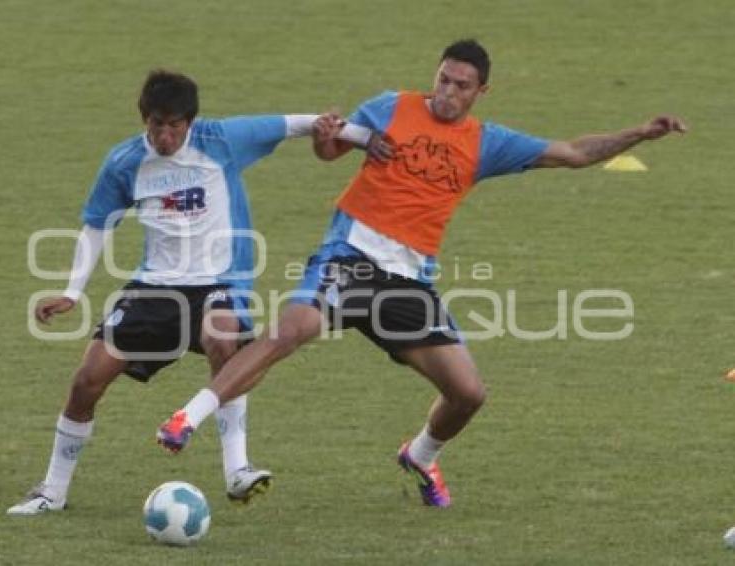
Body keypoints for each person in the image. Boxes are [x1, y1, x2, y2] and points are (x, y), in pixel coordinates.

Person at [155, 40, 688, 508]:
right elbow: (329, 151)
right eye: (442, 79)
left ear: (482, 91)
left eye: (461, 86)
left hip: (408, 284)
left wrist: (638, 133)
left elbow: (572, 153)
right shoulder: (391, 108)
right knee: (288, 331)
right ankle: (187, 418)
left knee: (468, 394)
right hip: (350, 256)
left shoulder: (487, 142)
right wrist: (328, 132)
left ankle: (421, 454)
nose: (446, 93)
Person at [7, 69, 372, 515]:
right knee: (86, 381)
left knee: (222, 340)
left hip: (220, 282)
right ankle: (52, 491)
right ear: (144, 119)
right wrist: (72, 291)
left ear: (190, 122)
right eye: (156, 124)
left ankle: (237, 470)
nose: (164, 135)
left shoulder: (221, 141)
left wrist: (363, 137)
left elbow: (299, 123)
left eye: (174, 125)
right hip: (153, 288)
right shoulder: (124, 162)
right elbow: (98, 224)